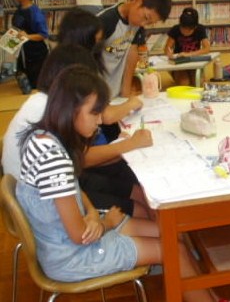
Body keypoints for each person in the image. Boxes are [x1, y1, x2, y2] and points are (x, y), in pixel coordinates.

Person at [15, 66, 218, 302]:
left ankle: (210, 296)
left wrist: (92, 213)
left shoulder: (42, 138)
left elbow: (73, 189)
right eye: (95, 113)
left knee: (171, 234)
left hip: (74, 236)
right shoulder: (53, 160)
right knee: (174, 250)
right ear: (71, 110)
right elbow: (80, 236)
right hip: (72, 256)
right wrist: (106, 224)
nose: (100, 120)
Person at [2, 44, 152, 218]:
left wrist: (120, 147)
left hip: (61, 182)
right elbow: (82, 158)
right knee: (139, 208)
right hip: (46, 203)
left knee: (135, 189)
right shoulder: (48, 110)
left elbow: (77, 158)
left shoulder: (48, 102)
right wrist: (128, 145)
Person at [98, 0, 172, 98]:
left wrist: (126, 93)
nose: (143, 24)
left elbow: (131, 58)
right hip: (96, 91)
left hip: (115, 91)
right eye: (146, 18)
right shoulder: (105, 21)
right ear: (137, 1)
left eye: (149, 23)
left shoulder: (137, 26)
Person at [11, 0, 49, 89]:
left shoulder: (35, 13)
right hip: (23, 53)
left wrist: (27, 36)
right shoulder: (20, 8)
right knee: (23, 85)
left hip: (36, 57)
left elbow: (43, 34)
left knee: (34, 86)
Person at [165, 7, 211, 86]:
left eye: (189, 30)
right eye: (183, 28)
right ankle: (173, 74)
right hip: (179, 64)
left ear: (195, 27)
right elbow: (167, 48)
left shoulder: (200, 29)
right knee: (184, 84)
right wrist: (169, 53)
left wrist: (189, 54)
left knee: (199, 84)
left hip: (194, 62)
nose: (185, 32)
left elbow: (207, 48)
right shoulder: (175, 29)